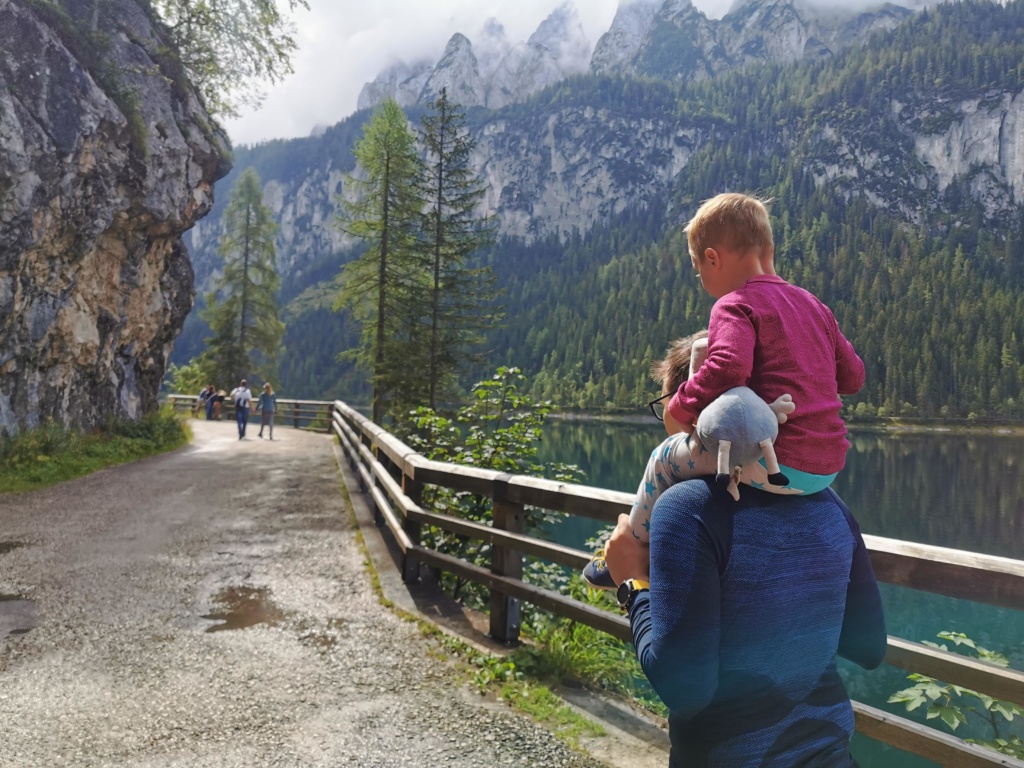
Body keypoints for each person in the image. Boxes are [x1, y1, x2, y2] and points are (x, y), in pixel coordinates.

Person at [603, 481, 887, 767]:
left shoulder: (690, 506)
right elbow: (868, 648)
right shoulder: (829, 504)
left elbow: (684, 692)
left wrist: (633, 583)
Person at [668, 192, 865, 498]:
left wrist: (679, 407)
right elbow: (854, 378)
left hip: (773, 462)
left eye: (699, 270)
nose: (701, 278)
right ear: (769, 249)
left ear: (712, 259)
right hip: (828, 469)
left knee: (663, 459)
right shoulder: (815, 305)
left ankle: (638, 540)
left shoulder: (733, 304)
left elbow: (729, 366)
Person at [584, 331, 796, 588]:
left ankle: (635, 539)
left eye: (664, 402)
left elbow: (673, 628)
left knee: (660, 461)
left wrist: (634, 580)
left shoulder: (686, 504)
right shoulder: (819, 503)